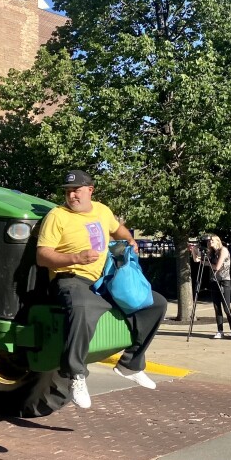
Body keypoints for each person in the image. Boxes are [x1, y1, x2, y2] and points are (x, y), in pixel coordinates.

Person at [36, 170, 168, 409]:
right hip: (71, 278)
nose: (71, 195)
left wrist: (130, 241)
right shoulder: (57, 216)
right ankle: (76, 375)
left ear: (90, 190)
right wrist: (76, 257)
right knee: (83, 306)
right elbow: (43, 256)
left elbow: (119, 230)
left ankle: (130, 364)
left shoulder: (102, 210)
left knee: (155, 303)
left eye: (76, 190)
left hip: (104, 278)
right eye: (67, 191)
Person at [189, 235, 231, 339]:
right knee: (216, 306)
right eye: (209, 241)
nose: (210, 242)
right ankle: (220, 331)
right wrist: (194, 250)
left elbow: (217, 267)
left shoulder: (223, 250)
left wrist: (205, 262)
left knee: (226, 307)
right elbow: (196, 260)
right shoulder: (211, 252)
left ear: (217, 241)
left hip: (224, 280)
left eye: (212, 240)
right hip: (214, 280)